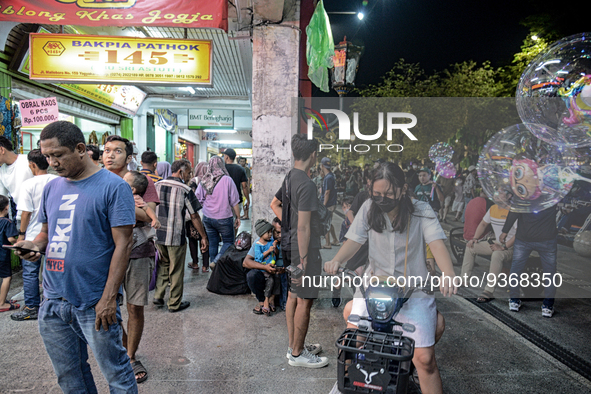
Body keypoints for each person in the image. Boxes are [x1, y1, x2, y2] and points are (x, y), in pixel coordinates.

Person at [14, 120, 138, 392]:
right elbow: (47, 233)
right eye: (47, 156)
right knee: (69, 376)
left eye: (58, 155)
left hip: (93, 300)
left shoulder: (113, 187)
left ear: (81, 149)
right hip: (53, 299)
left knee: (116, 373)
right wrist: (33, 247)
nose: (52, 163)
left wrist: (108, 298)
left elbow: (124, 245)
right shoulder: (51, 187)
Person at [325, 162, 456, 394]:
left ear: (403, 189)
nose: (382, 199)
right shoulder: (368, 208)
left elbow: (437, 243)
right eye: (377, 194)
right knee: (351, 342)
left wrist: (448, 274)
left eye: (388, 194)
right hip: (373, 287)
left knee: (425, 359)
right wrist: (337, 260)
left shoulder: (421, 210)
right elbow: (354, 240)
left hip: (413, 292)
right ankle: (343, 384)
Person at [104, 135, 161, 383]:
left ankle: (131, 355)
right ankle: (122, 347)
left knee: (134, 306)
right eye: (106, 150)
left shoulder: (141, 181)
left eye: (117, 151)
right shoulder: (96, 179)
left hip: (138, 251)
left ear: (128, 157)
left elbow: (148, 216)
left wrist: (113, 208)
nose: (109, 155)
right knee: (107, 306)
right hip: (104, 253)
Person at [270, 134, 328, 368]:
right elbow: (303, 227)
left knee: (294, 295)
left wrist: (287, 225)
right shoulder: (306, 183)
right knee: (305, 300)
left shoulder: (290, 177)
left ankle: (295, 345)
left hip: (288, 245)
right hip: (302, 250)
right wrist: (303, 259)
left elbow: (274, 204)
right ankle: (297, 354)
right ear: (313, 155)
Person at [154, 159, 208, 312]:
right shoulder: (185, 189)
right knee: (176, 270)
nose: (190, 176)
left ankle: (158, 296)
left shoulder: (157, 185)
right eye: (189, 172)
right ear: (181, 172)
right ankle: (174, 303)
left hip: (158, 235)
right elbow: (194, 216)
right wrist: (203, 236)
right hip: (175, 236)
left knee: (163, 265)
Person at [11, 149, 58, 321]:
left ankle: (32, 307)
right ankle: (51, 304)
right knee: (51, 270)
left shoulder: (28, 184)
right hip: (53, 234)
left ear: (32, 165)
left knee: (30, 273)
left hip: (32, 235)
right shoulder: (57, 180)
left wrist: (21, 235)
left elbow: (26, 213)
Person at [500, 206, 559, 318]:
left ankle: (514, 301)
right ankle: (547, 306)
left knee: (516, 269)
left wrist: (505, 231)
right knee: (550, 272)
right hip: (547, 238)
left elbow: (514, 211)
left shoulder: (524, 193)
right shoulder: (551, 192)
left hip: (524, 237)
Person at [461, 201, 517, 303]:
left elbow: (518, 233)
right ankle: (464, 280)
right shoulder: (493, 208)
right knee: (470, 247)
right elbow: (483, 224)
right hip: (497, 243)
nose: (497, 195)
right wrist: (475, 238)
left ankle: (489, 290)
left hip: (512, 247)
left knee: (497, 254)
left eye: (501, 192)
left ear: (509, 196)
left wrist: (504, 247)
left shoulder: (513, 211)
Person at [196, 156, 241, 264]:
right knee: (228, 242)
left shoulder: (205, 180)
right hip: (224, 218)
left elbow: (198, 198)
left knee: (213, 243)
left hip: (207, 217)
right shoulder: (227, 180)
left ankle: (213, 269)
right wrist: (238, 217)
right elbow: (234, 201)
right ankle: (216, 262)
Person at [187, 162, 210, 272]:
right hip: (206, 213)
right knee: (204, 237)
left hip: (194, 213)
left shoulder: (194, 180)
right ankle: (205, 265)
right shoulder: (210, 180)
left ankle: (195, 262)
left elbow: (191, 197)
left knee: (192, 239)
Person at [254, 219, 278, 316]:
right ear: (261, 233)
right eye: (267, 233)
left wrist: (275, 248)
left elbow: (276, 254)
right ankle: (266, 300)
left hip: (272, 267)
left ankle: (271, 300)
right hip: (263, 269)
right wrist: (268, 251)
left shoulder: (271, 242)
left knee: (277, 279)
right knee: (270, 281)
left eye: (270, 232)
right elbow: (258, 258)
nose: (270, 235)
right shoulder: (258, 245)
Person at [0, 195, 19, 313]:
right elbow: (11, 239)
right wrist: (19, 243)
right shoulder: (7, 222)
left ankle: (2, 299)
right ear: (7, 207)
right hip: (2, 255)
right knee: (7, 277)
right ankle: (1, 303)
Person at [223, 148, 250, 223]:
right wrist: (248, 200)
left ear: (227, 157)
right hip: (237, 200)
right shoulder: (240, 169)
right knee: (236, 222)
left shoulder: (221, 169)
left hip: (223, 201)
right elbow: (244, 186)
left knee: (224, 223)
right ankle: (234, 235)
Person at [320, 157, 340, 249]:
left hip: (328, 204)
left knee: (325, 223)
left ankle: (327, 243)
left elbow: (327, 192)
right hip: (332, 203)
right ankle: (335, 240)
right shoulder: (331, 176)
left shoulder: (328, 177)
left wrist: (323, 205)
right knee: (329, 222)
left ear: (322, 166)